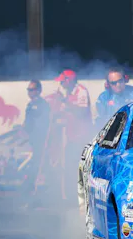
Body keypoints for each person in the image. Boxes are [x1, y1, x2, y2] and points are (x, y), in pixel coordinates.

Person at [55, 69, 92, 204]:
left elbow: (82, 111)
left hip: (81, 135)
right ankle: (71, 196)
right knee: (70, 166)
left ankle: (83, 196)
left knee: (80, 166)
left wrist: (66, 102)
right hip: (71, 135)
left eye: (63, 81)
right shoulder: (68, 93)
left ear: (69, 81)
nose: (61, 84)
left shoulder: (81, 91)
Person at [23, 79, 50, 190]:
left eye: (32, 89)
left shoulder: (42, 104)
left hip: (40, 140)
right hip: (32, 140)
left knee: (38, 164)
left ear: (38, 91)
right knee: (32, 163)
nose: (29, 92)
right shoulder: (30, 105)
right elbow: (28, 122)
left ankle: (36, 187)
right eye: (28, 90)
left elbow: (43, 123)